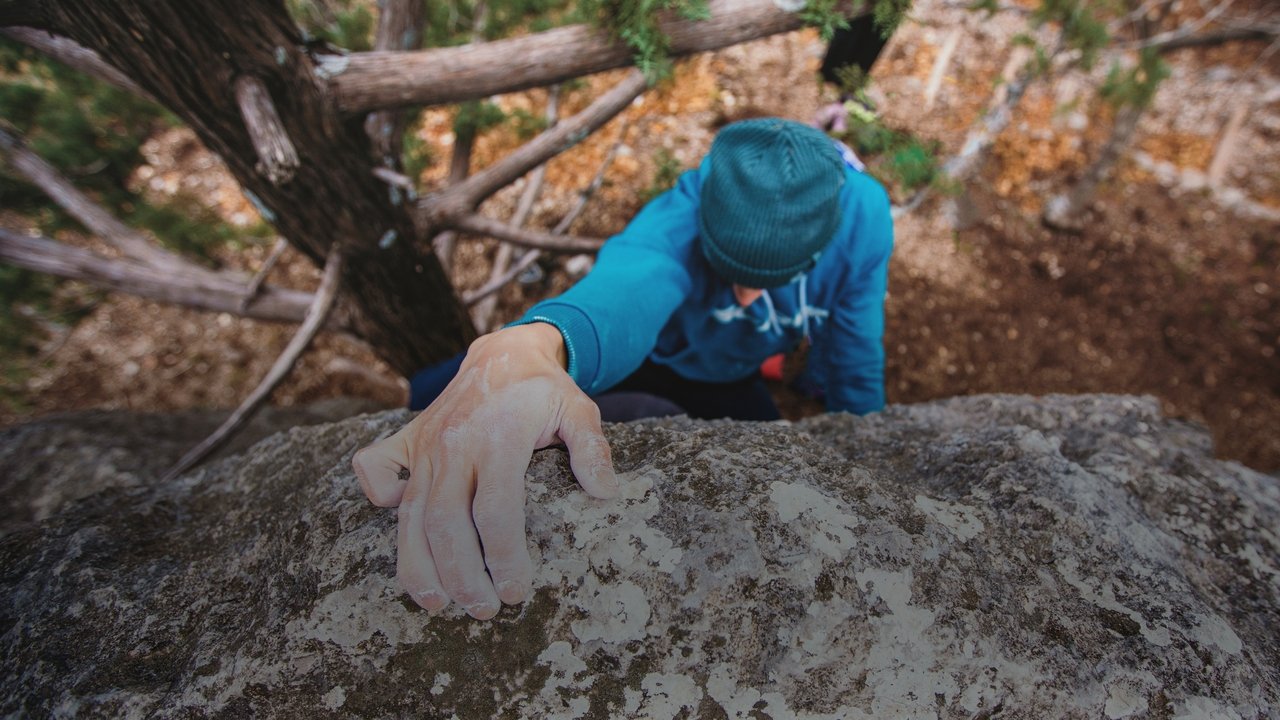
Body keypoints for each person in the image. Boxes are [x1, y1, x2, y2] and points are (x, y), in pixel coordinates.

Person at [352, 118, 894, 619]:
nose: (747, 295)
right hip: (651, 357)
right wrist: (531, 348)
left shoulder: (865, 216)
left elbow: (855, 343)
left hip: (733, 374)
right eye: (727, 268)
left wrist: (866, 454)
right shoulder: (678, 218)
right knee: (437, 389)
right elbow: (625, 291)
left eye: (768, 279)